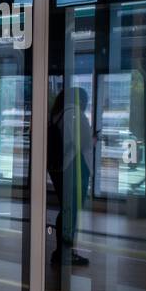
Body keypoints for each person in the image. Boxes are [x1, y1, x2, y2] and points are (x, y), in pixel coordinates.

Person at [49, 88, 93, 267]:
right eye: (85, 100)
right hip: (74, 166)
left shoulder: (57, 113)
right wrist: (94, 138)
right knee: (72, 212)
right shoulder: (75, 113)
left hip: (58, 167)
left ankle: (61, 251)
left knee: (66, 210)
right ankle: (66, 253)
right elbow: (84, 141)